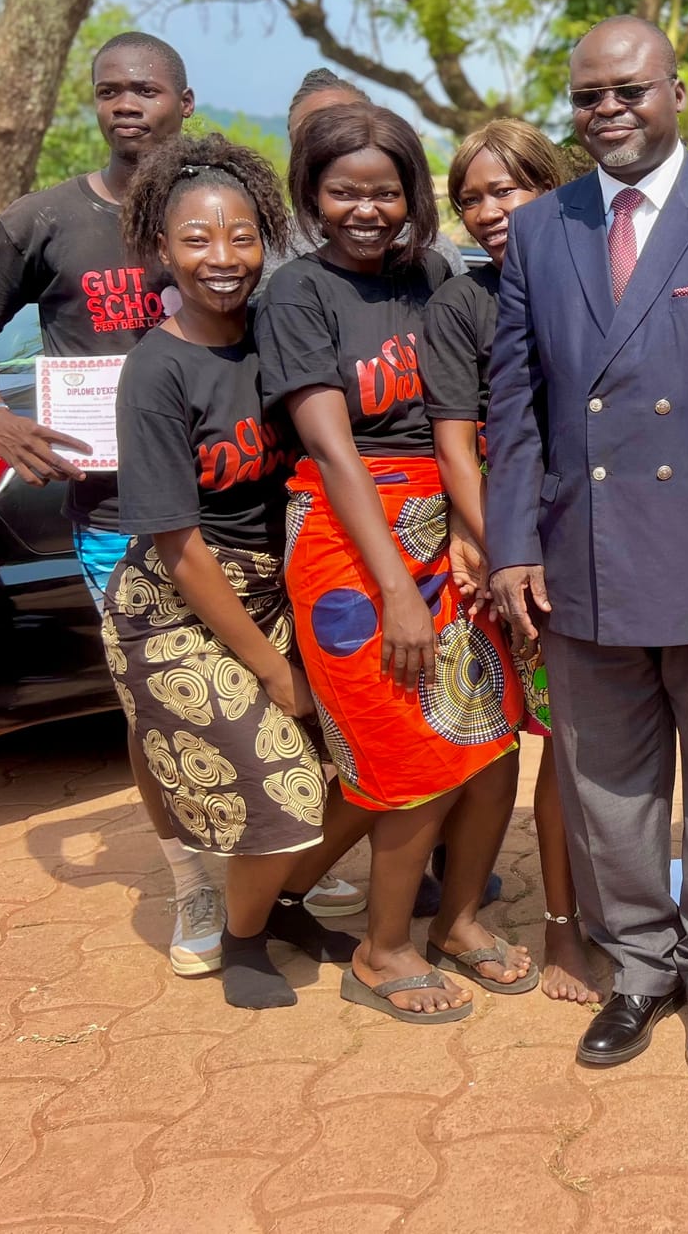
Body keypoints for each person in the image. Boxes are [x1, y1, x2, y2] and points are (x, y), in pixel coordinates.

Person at [486, 15, 688, 1072]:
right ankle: (637, 966)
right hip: (579, 550)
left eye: (628, 90)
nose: (609, 110)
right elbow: (514, 406)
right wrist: (510, 544)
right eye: (588, 96)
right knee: (607, 784)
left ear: (675, 91)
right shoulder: (541, 228)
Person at [0, 32, 236, 975]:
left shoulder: (221, 208)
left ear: (184, 101)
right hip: (117, 514)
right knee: (155, 705)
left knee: (263, 679)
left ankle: (282, 863)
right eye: (110, 90)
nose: (126, 104)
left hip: (238, 501)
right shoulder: (45, 220)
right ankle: (192, 882)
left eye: (145, 89)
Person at [258, 100, 531, 1022]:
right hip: (351, 541)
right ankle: (380, 949)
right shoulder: (297, 294)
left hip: (448, 528)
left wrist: (467, 528)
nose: (366, 211)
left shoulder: (435, 279)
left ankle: (458, 919)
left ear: (412, 195)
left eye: (385, 192)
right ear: (312, 196)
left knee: (490, 741)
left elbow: (461, 423)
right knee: (405, 753)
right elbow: (331, 449)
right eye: (344, 192)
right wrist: (396, 591)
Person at [108, 132, 376, 1008]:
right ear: (161, 248)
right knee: (283, 783)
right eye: (196, 240)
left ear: (268, 238)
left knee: (373, 757)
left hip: (281, 588)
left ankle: (284, 902)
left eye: (242, 237)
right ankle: (243, 938)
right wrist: (272, 669)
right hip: (177, 609)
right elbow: (178, 546)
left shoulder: (278, 332)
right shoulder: (155, 371)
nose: (221, 258)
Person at [419, 118, 597, 1004]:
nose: (489, 212)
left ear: (551, 186)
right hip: (521, 554)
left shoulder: (600, 276)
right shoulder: (463, 304)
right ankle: (561, 924)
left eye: (507, 190)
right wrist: (503, 550)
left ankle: (623, 906)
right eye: (472, 200)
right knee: (556, 743)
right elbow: (459, 445)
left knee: (608, 745)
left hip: (614, 540)